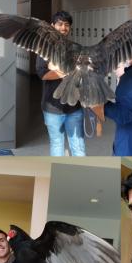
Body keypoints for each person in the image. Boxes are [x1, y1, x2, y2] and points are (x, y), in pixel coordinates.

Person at [36, 11, 86, 156]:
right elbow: (43, 74)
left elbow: (82, 72)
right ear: (52, 26)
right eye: (60, 24)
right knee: (57, 145)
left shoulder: (76, 48)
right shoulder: (44, 49)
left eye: (66, 25)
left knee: (78, 147)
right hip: (52, 107)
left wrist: (56, 69)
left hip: (74, 107)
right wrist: (67, 71)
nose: (63, 28)